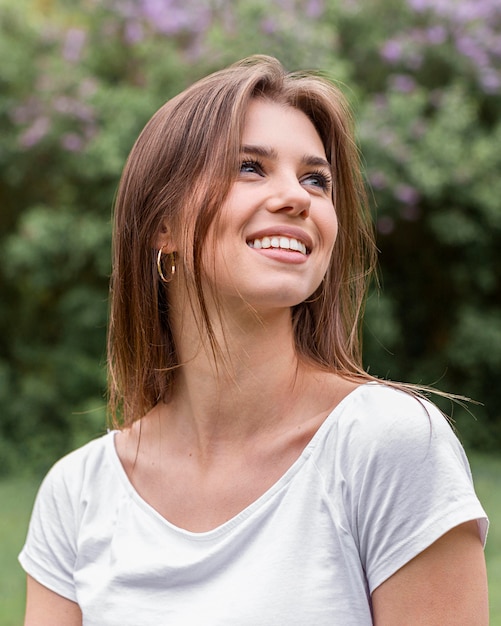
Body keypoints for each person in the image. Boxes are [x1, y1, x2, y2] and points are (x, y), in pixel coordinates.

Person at [19, 55, 489, 625]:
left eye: (316, 179)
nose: (297, 197)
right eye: (249, 167)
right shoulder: (77, 495)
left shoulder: (389, 445)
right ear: (162, 224)